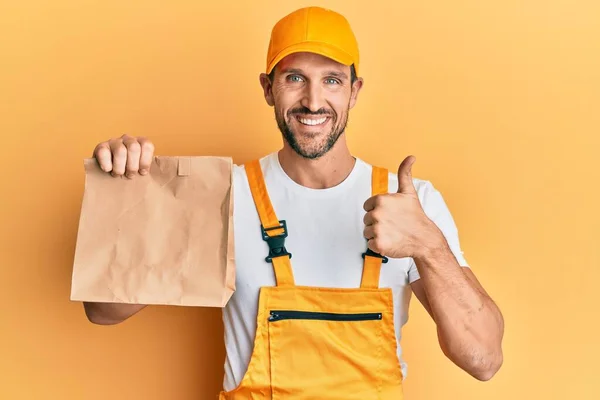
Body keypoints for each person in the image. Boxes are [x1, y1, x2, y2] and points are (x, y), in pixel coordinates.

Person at [82, 6, 504, 399]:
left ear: (355, 91)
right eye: (294, 78)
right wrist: (130, 191)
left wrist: (429, 245)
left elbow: (483, 360)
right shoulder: (224, 196)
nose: (314, 101)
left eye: (332, 80)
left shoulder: (411, 203)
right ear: (268, 88)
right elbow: (103, 310)